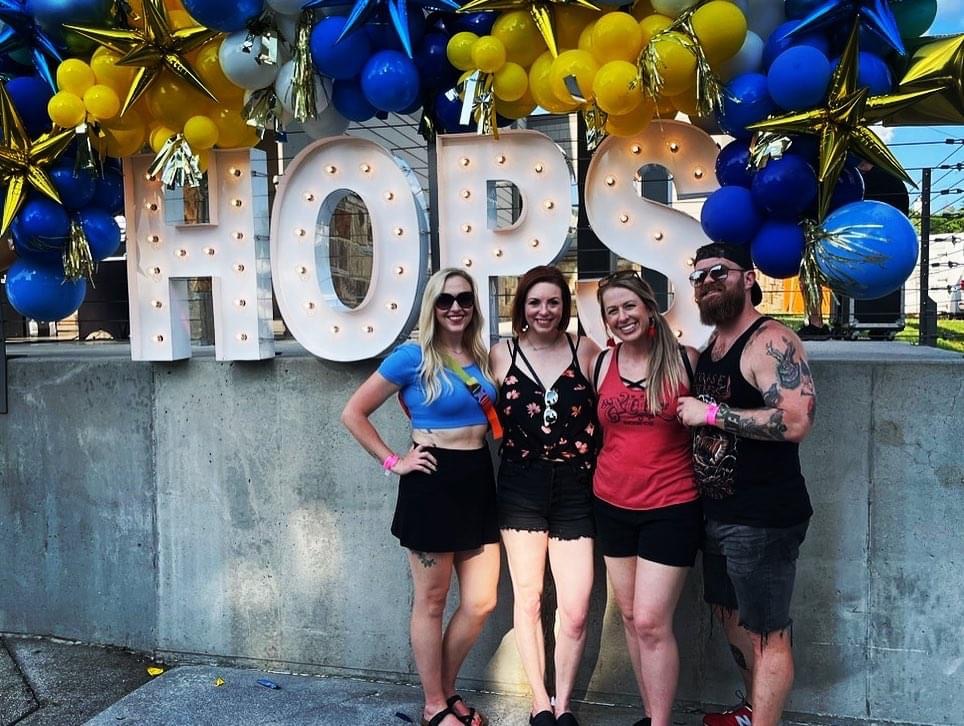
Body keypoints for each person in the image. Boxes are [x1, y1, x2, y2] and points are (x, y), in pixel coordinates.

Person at [341, 268, 501, 726]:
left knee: (481, 601)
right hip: (432, 482)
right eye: (445, 300)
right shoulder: (412, 357)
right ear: (432, 306)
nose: (456, 307)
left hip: (477, 479)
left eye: (464, 299)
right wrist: (394, 461)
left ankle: (445, 691)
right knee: (432, 601)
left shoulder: (479, 355)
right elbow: (353, 413)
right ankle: (434, 705)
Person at [676, 243, 816, 726]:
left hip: (763, 518)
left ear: (749, 278)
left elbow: (795, 420)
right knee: (729, 614)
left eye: (718, 271)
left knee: (766, 632)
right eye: (698, 277)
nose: (707, 282)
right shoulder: (713, 346)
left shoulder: (771, 341)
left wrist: (711, 414)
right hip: (717, 512)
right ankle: (753, 711)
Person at [488, 266, 600, 726]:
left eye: (553, 301)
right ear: (522, 307)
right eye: (535, 302)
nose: (544, 310)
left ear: (565, 306)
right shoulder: (502, 354)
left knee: (575, 608)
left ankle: (565, 702)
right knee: (529, 597)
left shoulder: (585, 350)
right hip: (521, 484)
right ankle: (540, 701)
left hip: (576, 484)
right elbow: (469, 404)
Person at [591, 270, 702, 726]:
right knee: (632, 617)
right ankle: (651, 714)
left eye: (629, 306)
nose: (622, 317)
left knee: (653, 621)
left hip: (671, 507)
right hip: (611, 504)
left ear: (649, 307)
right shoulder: (601, 363)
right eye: (612, 311)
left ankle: (660, 722)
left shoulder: (685, 361)